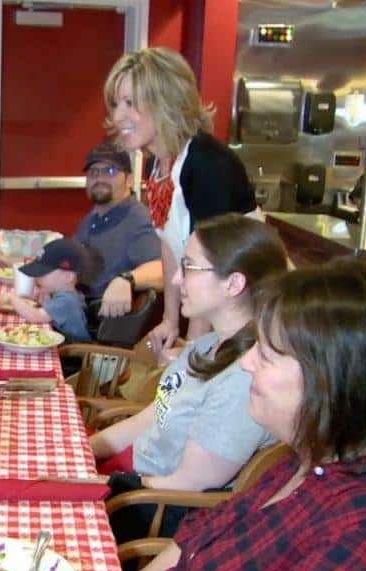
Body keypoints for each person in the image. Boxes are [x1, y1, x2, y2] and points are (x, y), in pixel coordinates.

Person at [139, 261, 366, 571]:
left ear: (334, 382)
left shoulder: (354, 535)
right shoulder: (302, 457)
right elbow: (194, 539)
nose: (246, 363)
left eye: (266, 355)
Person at [89, 214, 288, 543]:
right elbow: (155, 414)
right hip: (133, 475)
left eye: (190, 267)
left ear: (234, 284)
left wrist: (107, 484)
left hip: (151, 506)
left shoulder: (243, 378)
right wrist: (87, 451)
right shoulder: (209, 344)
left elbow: (192, 483)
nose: (177, 280)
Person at [104, 47, 256, 358]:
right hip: (212, 313)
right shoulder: (158, 164)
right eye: (117, 103)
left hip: (244, 325)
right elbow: (171, 246)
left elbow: (211, 267)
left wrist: (192, 348)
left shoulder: (205, 163)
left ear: (165, 101)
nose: (118, 116)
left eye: (130, 103)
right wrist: (170, 321)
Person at [73, 142, 163, 318]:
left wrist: (127, 280)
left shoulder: (137, 221)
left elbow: (162, 270)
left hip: (95, 331)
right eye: (94, 172)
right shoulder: (95, 215)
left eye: (110, 171)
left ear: (129, 180)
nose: (100, 178)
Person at [0, 238, 93, 344]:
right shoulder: (63, 293)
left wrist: (12, 298)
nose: (37, 277)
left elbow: (35, 317)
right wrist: (44, 300)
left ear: (67, 277)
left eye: (42, 273)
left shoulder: (67, 300)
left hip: (71, 355)